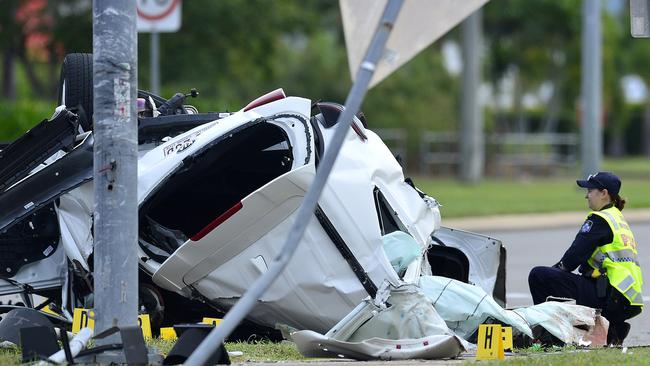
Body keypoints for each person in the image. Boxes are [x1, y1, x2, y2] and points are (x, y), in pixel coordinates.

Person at [528, 171, 643, 345]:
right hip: (625, 299)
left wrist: (552, 273)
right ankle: (612, 328)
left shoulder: (599, 220)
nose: (586, 195)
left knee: (539, 276)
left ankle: (550, 336)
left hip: (611, 297)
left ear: (604, 193)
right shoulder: (617, 218)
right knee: (577, 279)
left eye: (590, 190)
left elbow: (569, 261)